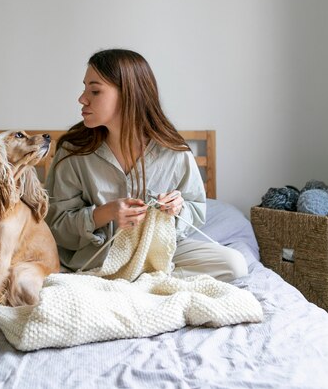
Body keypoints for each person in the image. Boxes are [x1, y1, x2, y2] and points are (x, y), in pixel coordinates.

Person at [45, 48, 248, 281]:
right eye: (85, 89)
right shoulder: (73, 152)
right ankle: (137, 280)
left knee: (235, 265)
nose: (82, 98)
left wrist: (177, 209)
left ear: (128, 94)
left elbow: (195, 209)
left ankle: (147, 278)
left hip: (160, 254)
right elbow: (57, 227)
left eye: (95, 90)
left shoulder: (174, 152)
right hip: (98, 258)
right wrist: (104, 214)